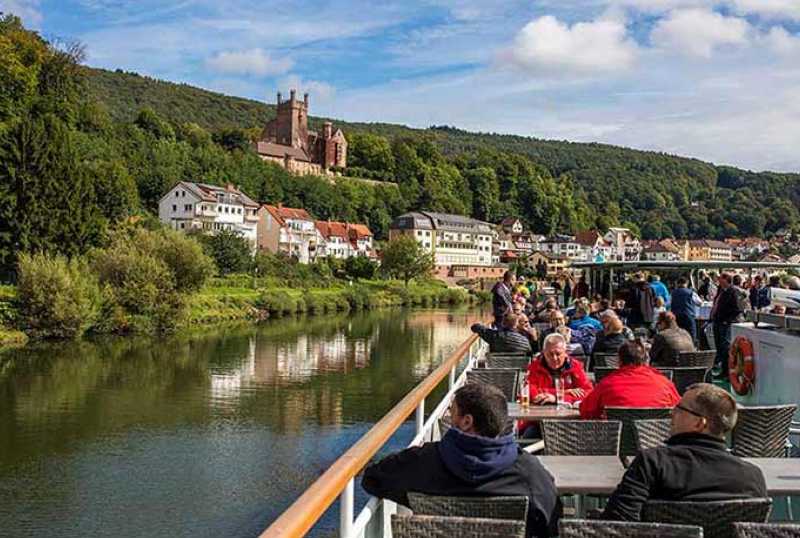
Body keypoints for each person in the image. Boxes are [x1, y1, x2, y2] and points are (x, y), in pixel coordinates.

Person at [362, 383, 561, 537]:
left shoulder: (423, 461)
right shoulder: (529, 472)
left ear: (466, 422)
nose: (449, 415)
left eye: (452, 411)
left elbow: (372, 479)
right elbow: (551, 524)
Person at [602, 383, 767, 521]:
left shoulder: (653, 463)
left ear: (699, 423)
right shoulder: (752, 477)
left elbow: (618, 523)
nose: (671, 412)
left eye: (679, 408)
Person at [580, 340, 680, 419]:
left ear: (619, 360)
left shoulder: (607, 384)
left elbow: (586, 411)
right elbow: (680, 409)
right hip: (657, 440)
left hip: (615, 441)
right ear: (645, 359)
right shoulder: (663, 383)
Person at [525, 333, 593, 408]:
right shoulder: (535, 366)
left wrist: (557, 398)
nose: (554, 358)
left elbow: (588, 393)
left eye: (558, 354)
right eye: (550, 354)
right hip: (537, 414)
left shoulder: (575, 366)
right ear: (543, 352)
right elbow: (529, 391)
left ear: (565, 352)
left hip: (567, 415)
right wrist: (563, 392)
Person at [710, 273, 742, 378]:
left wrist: (727, 321)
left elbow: (737, 309)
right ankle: (723, 371)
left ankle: (728, 372)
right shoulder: (721, 291)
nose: (719, 281)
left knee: (725, 348)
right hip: (717, 321)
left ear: (726, 280)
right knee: (720, 347)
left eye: (721, 280)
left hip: (724, 323)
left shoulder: (732, 292)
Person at [670, 277, 702, 341]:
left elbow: (668, 304)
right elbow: (699, 303)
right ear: (686, 283)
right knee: (691, 334)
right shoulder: (691, 292)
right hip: (688, 315)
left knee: (678, 334)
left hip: (676, 316)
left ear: (677, 284)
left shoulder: (673, 293)